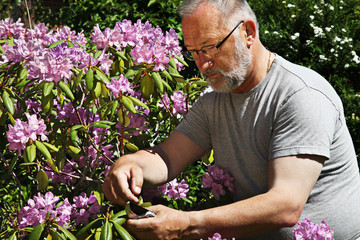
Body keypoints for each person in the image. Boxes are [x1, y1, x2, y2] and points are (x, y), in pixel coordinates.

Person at [102, 0, 360, 239]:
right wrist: (130, 164)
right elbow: (167, 157)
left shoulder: (300, 95)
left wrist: (187, 224)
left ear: (248, 32)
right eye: (194, 52)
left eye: (210, 47)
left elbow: (286, 205)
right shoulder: (214, 100)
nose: (202, 64)